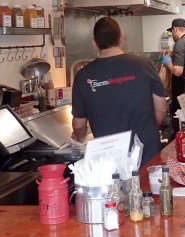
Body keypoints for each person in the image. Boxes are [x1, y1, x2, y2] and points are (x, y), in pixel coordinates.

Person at [71, 17, 167, 167]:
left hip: (109, 161)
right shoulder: (144, 65)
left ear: (94, 43)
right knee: (148, 182)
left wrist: (79, 138)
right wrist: (147, 131)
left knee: (115, 183)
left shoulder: (83, 76)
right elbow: (161, 110)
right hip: (147, 154)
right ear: (121, 38)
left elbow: (78, 125)